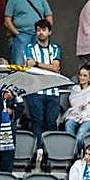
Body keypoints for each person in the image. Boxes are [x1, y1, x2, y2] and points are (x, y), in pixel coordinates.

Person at [22, 20, 62, 148]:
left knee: (51, 122)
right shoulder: (29, 47)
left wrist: (38, 64)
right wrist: (47, 66)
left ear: (49, 32)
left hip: (52, 91)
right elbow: (29, 65)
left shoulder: (55, 48)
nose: (41, 32)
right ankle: (37, 150)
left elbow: (55, 67)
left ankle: (50, 151)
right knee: (37, 121)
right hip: (35, 90)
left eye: (44, 30)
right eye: (38, 30)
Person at [4, 0, 53, 65]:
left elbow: (49, 17)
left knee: (40, 64)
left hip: (39, 36)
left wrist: (46, 32)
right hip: (21, 36)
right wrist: (17, 34)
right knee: (20, 64)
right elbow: (7, 20)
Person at [63, 64, 90, 153]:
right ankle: (70, 154)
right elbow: (74, 105)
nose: (82, 77)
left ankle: (74, 154)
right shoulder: (75, 89)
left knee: (81, 133)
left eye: (85, 75)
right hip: (75, 115)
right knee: (68, 125)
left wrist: (85, 114)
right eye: (80, 75)